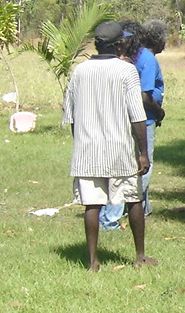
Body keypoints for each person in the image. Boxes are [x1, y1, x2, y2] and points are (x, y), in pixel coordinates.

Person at [62, 20, 155, 271]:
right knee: (133, 199)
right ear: (119, 45)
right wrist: (143, 152)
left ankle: (93, 261)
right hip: (120, 149)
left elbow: (71, 116)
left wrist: (80, 143)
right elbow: (137, 115)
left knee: (92, 205)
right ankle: (139, 256)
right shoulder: (126, 71)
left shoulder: (79, 71)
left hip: (87, 149)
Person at [100, 18, 166, 230]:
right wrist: (160, 112)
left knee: (127, 165)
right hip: (142, 120)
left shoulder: (128, 57)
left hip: (124, 118)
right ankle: (112, 217)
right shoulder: (146, 59)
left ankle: (142, 210)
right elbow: (144, 96)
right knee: (141, 167)